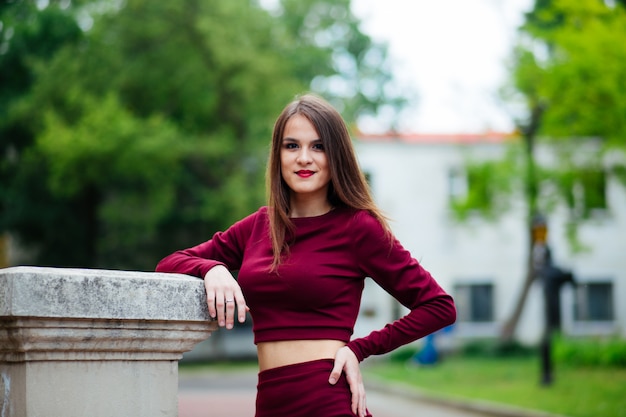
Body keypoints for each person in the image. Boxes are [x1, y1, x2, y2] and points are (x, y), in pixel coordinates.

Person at [156, 93, 456, 417]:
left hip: (328, 401)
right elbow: (168, 264)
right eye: (292, 146)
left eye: (318, 146)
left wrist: (359, 349)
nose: (304, 158)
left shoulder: (358, 227)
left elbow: (439, 307)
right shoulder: (259, 225)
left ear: (336, 155)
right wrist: (213, 269)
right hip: (270, 404)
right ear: (278, 155)